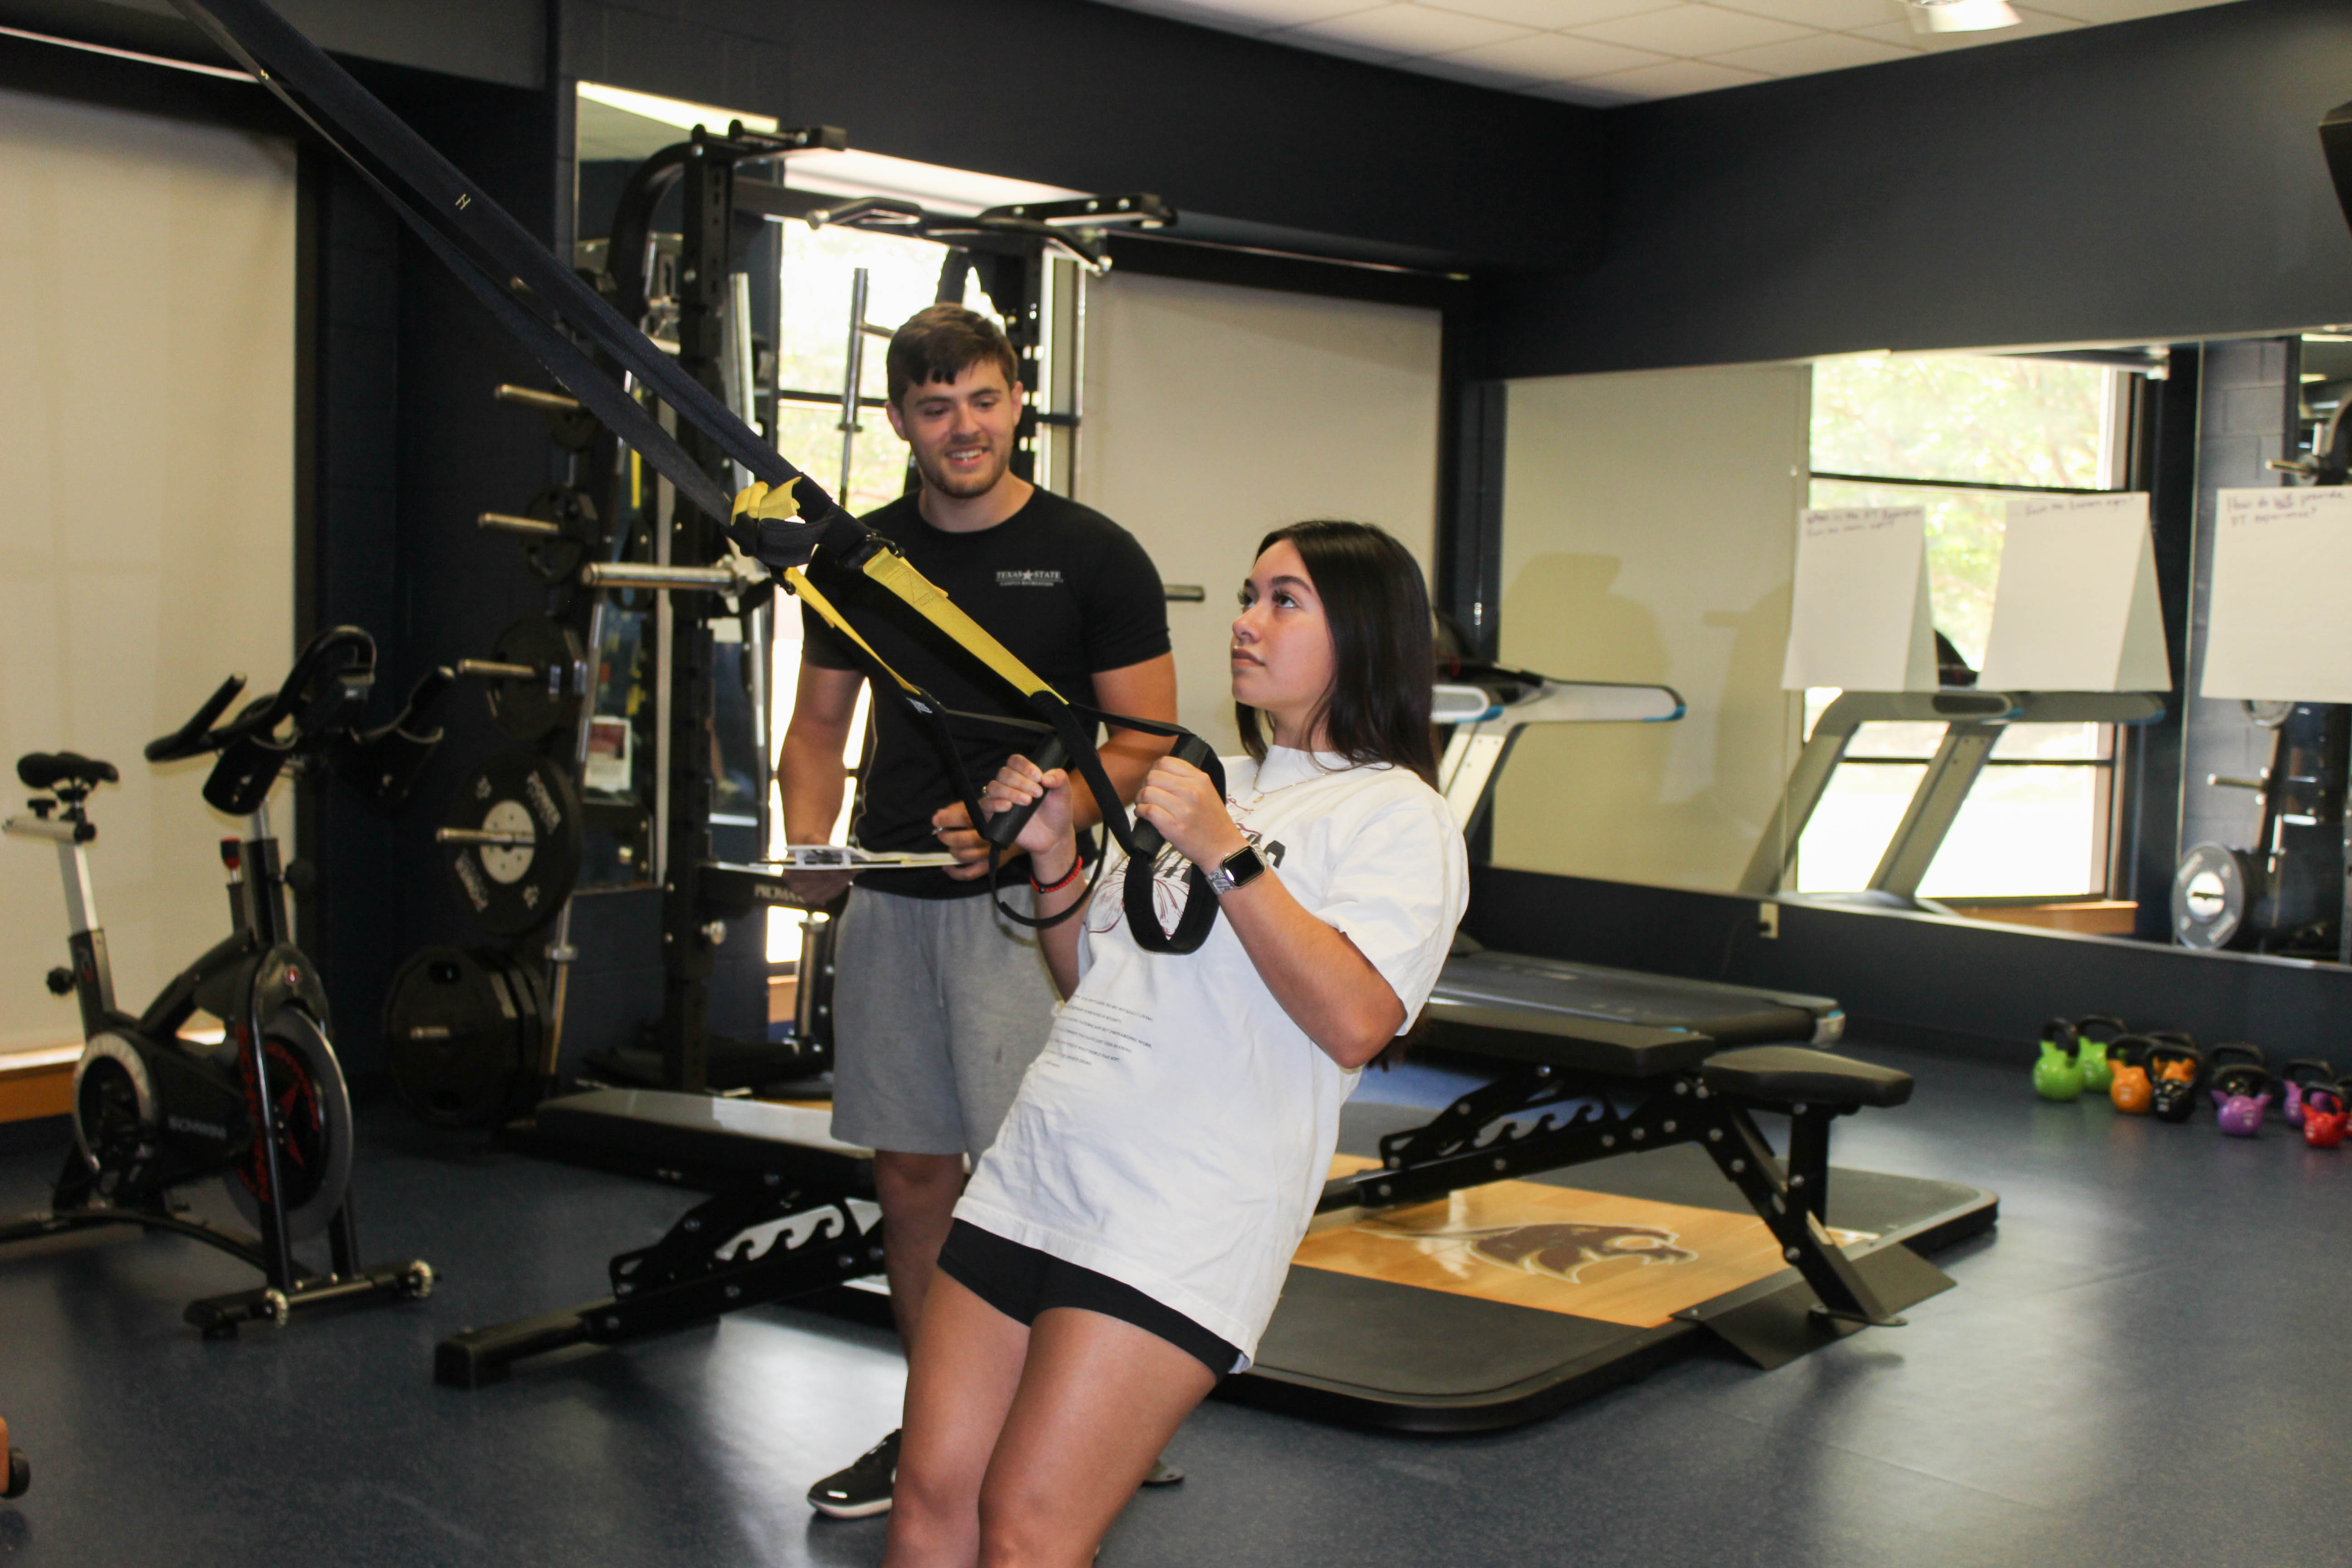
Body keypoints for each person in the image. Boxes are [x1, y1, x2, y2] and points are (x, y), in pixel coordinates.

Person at [885, 520, 1469, 1568]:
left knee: (1026, 1531)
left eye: (1284, 601)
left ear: (1366, 634)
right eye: (1250, 594)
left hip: (1178, 1212)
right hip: (1041, 1168)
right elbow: (1095, 981)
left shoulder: (1399, 818)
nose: (1245, 622)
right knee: (932, 1502)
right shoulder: (1214, 785)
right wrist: (1058, 857)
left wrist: (1227, 854)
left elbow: (1356, 1021)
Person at [781, 304, 1178, 1519]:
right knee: (912, 1174)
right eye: (937, 406)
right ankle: (936, 1425)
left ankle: (1072, 1425)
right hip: (899, 898)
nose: (965, 427)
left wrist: (1038, 810)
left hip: (1038, 905)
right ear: (902, 420)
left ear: (1017, 402)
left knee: (1036, 1176)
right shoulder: (857, 558)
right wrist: (809, 848)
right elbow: (814, 733)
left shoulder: (1095, 555)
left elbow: (1149, 742)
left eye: (985, 400)